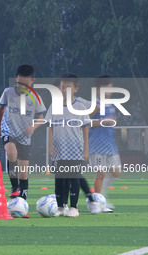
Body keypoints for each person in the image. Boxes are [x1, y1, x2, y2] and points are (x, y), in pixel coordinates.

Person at [0, 64, 46, 218]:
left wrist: (34, 126)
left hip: (25, 136)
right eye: (19, 83)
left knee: (23, 173)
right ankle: (13, 187)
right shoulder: (7, 92)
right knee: (11, 153)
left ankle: (22, 206)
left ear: (32, 81)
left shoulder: (35, 97)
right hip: (8, 131)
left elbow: (42, 118)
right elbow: (1, 109)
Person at [46, 73, 92, 217]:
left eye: (68, 88)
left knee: (73, 177)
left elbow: (85, 129)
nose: (64, 90)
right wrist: (50, 146)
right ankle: (60, 207)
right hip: (60, 150)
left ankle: (74, 207)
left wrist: (86, 150)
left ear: (76, 89)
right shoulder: (54, 106)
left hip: (76, 150)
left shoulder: (80, 106)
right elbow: (50, 127)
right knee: (59, 178)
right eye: (62, 87)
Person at [80, 75, 121, 213]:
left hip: (110, 144)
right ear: (98, 89)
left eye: (110, 89)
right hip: (96, 144)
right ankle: (99, 203)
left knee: (116, 172)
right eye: (106, 89)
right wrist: (104, 121)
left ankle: (102, 198)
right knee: (101, 173)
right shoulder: (93, 104)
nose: (109, 92)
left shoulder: (111, 104)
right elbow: (85, 122)